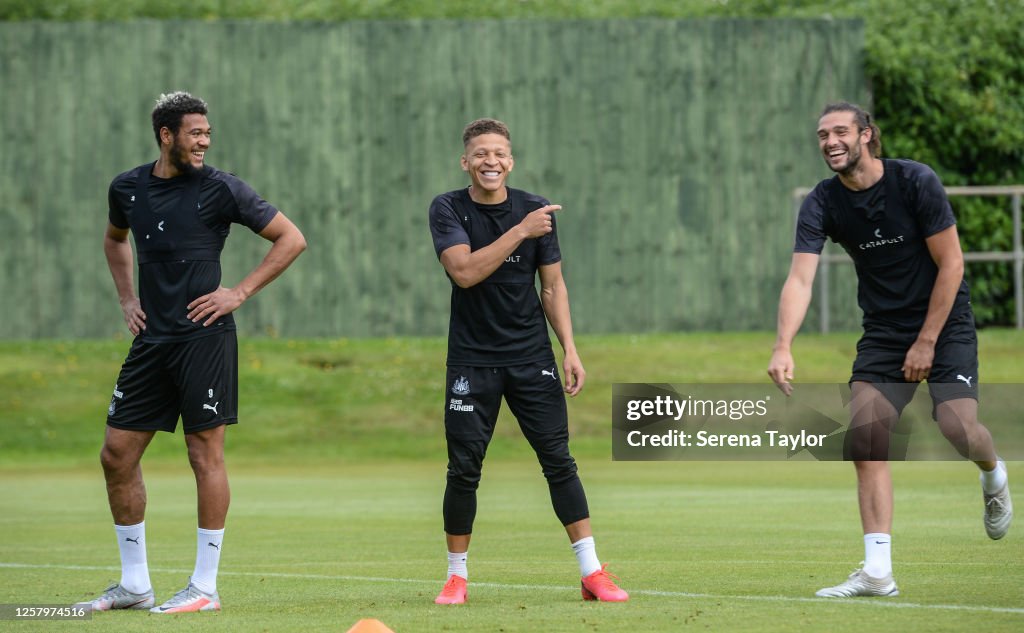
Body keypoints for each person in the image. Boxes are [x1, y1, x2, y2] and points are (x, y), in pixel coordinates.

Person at [768, 102, 1013, 597]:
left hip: (944, 324)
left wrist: (926, 341)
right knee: (866, 437)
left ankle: (994, 474)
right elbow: (800, 278)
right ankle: (878, 571)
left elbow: (952, 264)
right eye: (822, 135)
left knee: (957, 428)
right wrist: (783, 345)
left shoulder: (914, 181)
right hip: (883, 331)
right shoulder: (822, 202)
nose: (830, 141)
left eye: (840, 131)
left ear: (867, 135)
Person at [80, 92, 306, 613]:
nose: (205, 141)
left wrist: (239, 293)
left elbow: (291, 239)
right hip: (150, 342)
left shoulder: (222, 189)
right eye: (195, 133)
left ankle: (204, 588)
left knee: (204, 455)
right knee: (115, 454)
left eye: (207, 132)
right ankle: (135, 585)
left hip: (204, 339)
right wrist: (127, 298)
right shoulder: (128, 187)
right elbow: (115, 239)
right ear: (166, 135)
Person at [427, 118, 628, 605]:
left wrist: (570, 349)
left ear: (510, 161)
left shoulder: (537, 210)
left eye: (498, 153)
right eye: (480, 154)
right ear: (466, 162)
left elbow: (553, 286)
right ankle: (457, 577)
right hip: (472, 362)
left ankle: (591, 572)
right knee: (464, 469)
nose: (490, 161)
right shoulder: (449, 208)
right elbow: (465, 272)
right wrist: (519, 231)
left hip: (530, 357)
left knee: (559, 461)